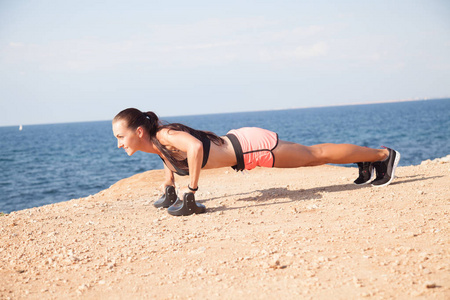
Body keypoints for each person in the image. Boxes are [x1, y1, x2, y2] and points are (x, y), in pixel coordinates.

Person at [112, 108, 400, 214]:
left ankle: (383, 156)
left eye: (120, 136)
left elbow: (196, 148)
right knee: (312, 156)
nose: (119, 143)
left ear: (138, 131)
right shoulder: (157, 143)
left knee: (314, 156)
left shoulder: (165, 134)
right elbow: (169, 159)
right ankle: (366, 162)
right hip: (245, 144)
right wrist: (169, 185)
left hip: (252, 148)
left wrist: (193, 191)